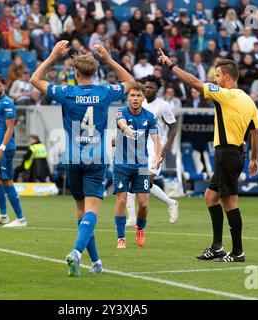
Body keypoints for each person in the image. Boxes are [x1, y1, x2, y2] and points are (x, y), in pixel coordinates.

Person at [30, 40, 135, 276]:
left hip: (73, 159)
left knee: (81, 212)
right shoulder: (104, 92)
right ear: (95, 71)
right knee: (92, 212)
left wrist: (52, 56)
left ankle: (95, 262)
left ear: (75, 73)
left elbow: (35, 80)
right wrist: (108, 59)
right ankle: (76, 253)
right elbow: (129, 81)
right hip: (96, 159)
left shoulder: (67, 93)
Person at [158, 51, 258, 263]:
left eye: (217, 75)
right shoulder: (248, 101)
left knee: (229, 202)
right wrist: (254, 158)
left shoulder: (226, 95)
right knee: (210, 197)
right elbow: (256, 132)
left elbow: (195, 82)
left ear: (227, 78)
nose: (214, 79)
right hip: (234, 154)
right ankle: (217, 247)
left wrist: (171, 66)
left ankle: (238, 252)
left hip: (227, 153)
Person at [126, 75, 179, 226]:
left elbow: (173, 127)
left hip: (156, 148)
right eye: (146, 87)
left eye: (151, 87)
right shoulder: (139, 104)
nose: (148, 89)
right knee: (138, 183)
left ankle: (170, 204)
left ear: (157, 89)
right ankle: (132, 218)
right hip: (139, 149)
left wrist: (165, 149)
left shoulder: (163, 105)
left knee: (143, 183)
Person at [113, 85, 161, 249]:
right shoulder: (121, 112)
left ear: (143, 98)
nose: (135, 98)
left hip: (141, 165)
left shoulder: (149, 117)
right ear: (128, 98)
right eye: (132, 95)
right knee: (121, 200)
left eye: (138, 96)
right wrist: (126, 129)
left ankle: (139, 228)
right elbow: (121, 122)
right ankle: (121, 238)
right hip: (121, 164)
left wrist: (157, 157)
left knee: (144, 204)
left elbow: (156, 139)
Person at [0, 74, 27, 228]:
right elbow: (0, 125)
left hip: (5, 149)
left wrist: (1, 148)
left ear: (4, 86)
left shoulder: (7, 103)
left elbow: (10, 128)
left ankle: (20, 219)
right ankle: (3, 216)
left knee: (6, 181)